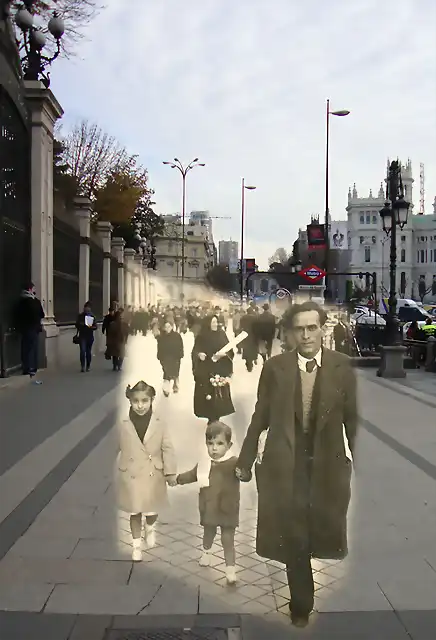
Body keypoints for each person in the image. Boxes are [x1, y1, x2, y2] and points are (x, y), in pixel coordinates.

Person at [236, 301, 358, 628]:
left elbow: (353, 421)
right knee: (294, 533)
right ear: (290, 333)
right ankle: (301, 600)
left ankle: (305, 578)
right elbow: (260, 415)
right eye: (299, 329)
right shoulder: (275, 368)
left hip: (325, 463)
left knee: (319, 527)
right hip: (285, 462)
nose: (306, 335)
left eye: (312, 328)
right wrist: (246, 459)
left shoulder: (343, 368)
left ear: (323, 329)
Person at [115, 381, 177, 562]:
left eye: (145, 401)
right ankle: (136, 546)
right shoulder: (124, 423)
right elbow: (115, 445)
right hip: (131, 473)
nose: (140, 405)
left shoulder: (160, 422)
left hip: (153, 473)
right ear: (130, 401)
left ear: (152, 400)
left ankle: (150, 527)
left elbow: (168, 448)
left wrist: (170, 472)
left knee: (151, 510)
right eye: (136, 401)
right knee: (134, 511)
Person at [176, 421, 242, 585]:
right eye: (210, 443)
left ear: (229, 445)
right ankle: (206, 552)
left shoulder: (234, 462)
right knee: (209, 532)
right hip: (210, 506)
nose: (214, 448)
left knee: (228, 538)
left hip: (228, 507)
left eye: (220, 444)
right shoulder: (205, 463)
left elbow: (245, 474)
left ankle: (230, 569)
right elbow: (193, 474)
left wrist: (243, 473)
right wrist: (178, 479)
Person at [192, 315, 235, 424]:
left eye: (216, 322)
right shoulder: (201, 337)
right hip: (206, 370)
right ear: (208, 324)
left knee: (219, 393)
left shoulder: (222, 334)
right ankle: (211, 416)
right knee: (208, 393)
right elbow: (195, 351)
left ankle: (216, 416)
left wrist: (224, 354)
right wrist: (199, 354)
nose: (215, 324)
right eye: (213, 322)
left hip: (220, 369)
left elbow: (230, 350)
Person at [12, 282, 45, 381]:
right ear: (30, 289)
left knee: (25, 348)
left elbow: (16, 315)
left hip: (24, 329)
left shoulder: (20, 302)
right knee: (33, 348)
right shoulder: (35, 302)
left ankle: (26, 368)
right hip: (34, 328)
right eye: (34, 289)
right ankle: (32, 368)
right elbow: (42, 314)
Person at [157, 320, 184, 396]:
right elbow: (159, 347)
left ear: (172, 327)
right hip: (165, 358)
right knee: (166, 373)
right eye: (166, 327)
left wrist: (181, 354)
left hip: (176, 357)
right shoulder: (162, 337)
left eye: (169, 326)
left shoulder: (177, 336)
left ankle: (175, 385)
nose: (167, 328)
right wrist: (159, 356)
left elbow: (180, 346)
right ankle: (166, 389)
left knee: (175, 372)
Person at [75, 301, 97, 373]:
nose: (87, 309)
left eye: (88, 308)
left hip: (89, 336)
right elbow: (76, 325)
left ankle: (88, 365)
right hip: (82, 336)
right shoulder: (80, 316)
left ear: (90, 309)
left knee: (88, 352)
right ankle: (82, 366)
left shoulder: (92, 316)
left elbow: (95, 326)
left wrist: (90, 326)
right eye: (86, 308)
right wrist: (81, 324)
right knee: (82, 351)